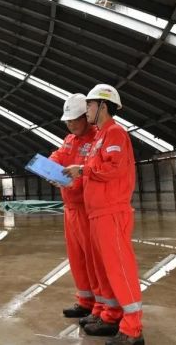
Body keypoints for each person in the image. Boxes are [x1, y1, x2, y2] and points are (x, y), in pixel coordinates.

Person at [64, 84, 144, 345]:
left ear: (103, 106)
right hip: (98, 212)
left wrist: (84, 170)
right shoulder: (101, 136)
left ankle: (133, 330)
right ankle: (110, 315)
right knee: (104, 268)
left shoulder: (115, 133)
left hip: (112, 211)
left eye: (89, 105)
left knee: (120, 269)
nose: (86, 109)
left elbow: (114, 168)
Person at [49, 94, 102, 320]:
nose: (70, 124)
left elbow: (93, 171)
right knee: (77, 258)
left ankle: (100, 306)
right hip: (70, 208)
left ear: (86, 117)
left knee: (92, 258)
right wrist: (49, 166)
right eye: (67, 121)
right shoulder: (70, 139)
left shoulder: (97, 139)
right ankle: (85, 300)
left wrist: (72, 182)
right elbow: (58, 156)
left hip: (87, 209)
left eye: (74, 120)